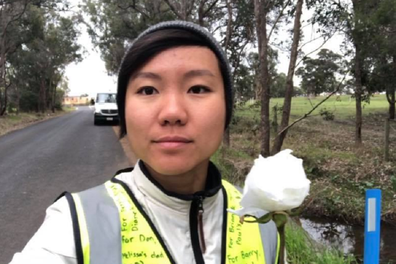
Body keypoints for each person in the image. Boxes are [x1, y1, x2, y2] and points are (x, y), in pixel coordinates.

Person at [10, 21, 280, 264]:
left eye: (198, 88)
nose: (172, 112)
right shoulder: (73, 226)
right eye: (148, 90)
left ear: (226, 108)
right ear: (124, 110)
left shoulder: (262, 216)